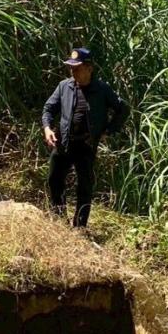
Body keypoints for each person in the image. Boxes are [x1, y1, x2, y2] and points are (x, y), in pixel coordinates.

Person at [42, 47, 127, 228]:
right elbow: (49, 108)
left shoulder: (102, 90)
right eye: (71, 68)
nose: (73, 72)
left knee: (85, 186)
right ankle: (58, 218)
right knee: (54, 179)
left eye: (77, 68)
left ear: (89, 68)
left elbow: (122, 109)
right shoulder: (65, 86)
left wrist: (109, 130)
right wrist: (47, 128)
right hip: (63, 142)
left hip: (86, 145)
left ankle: (80, 227)